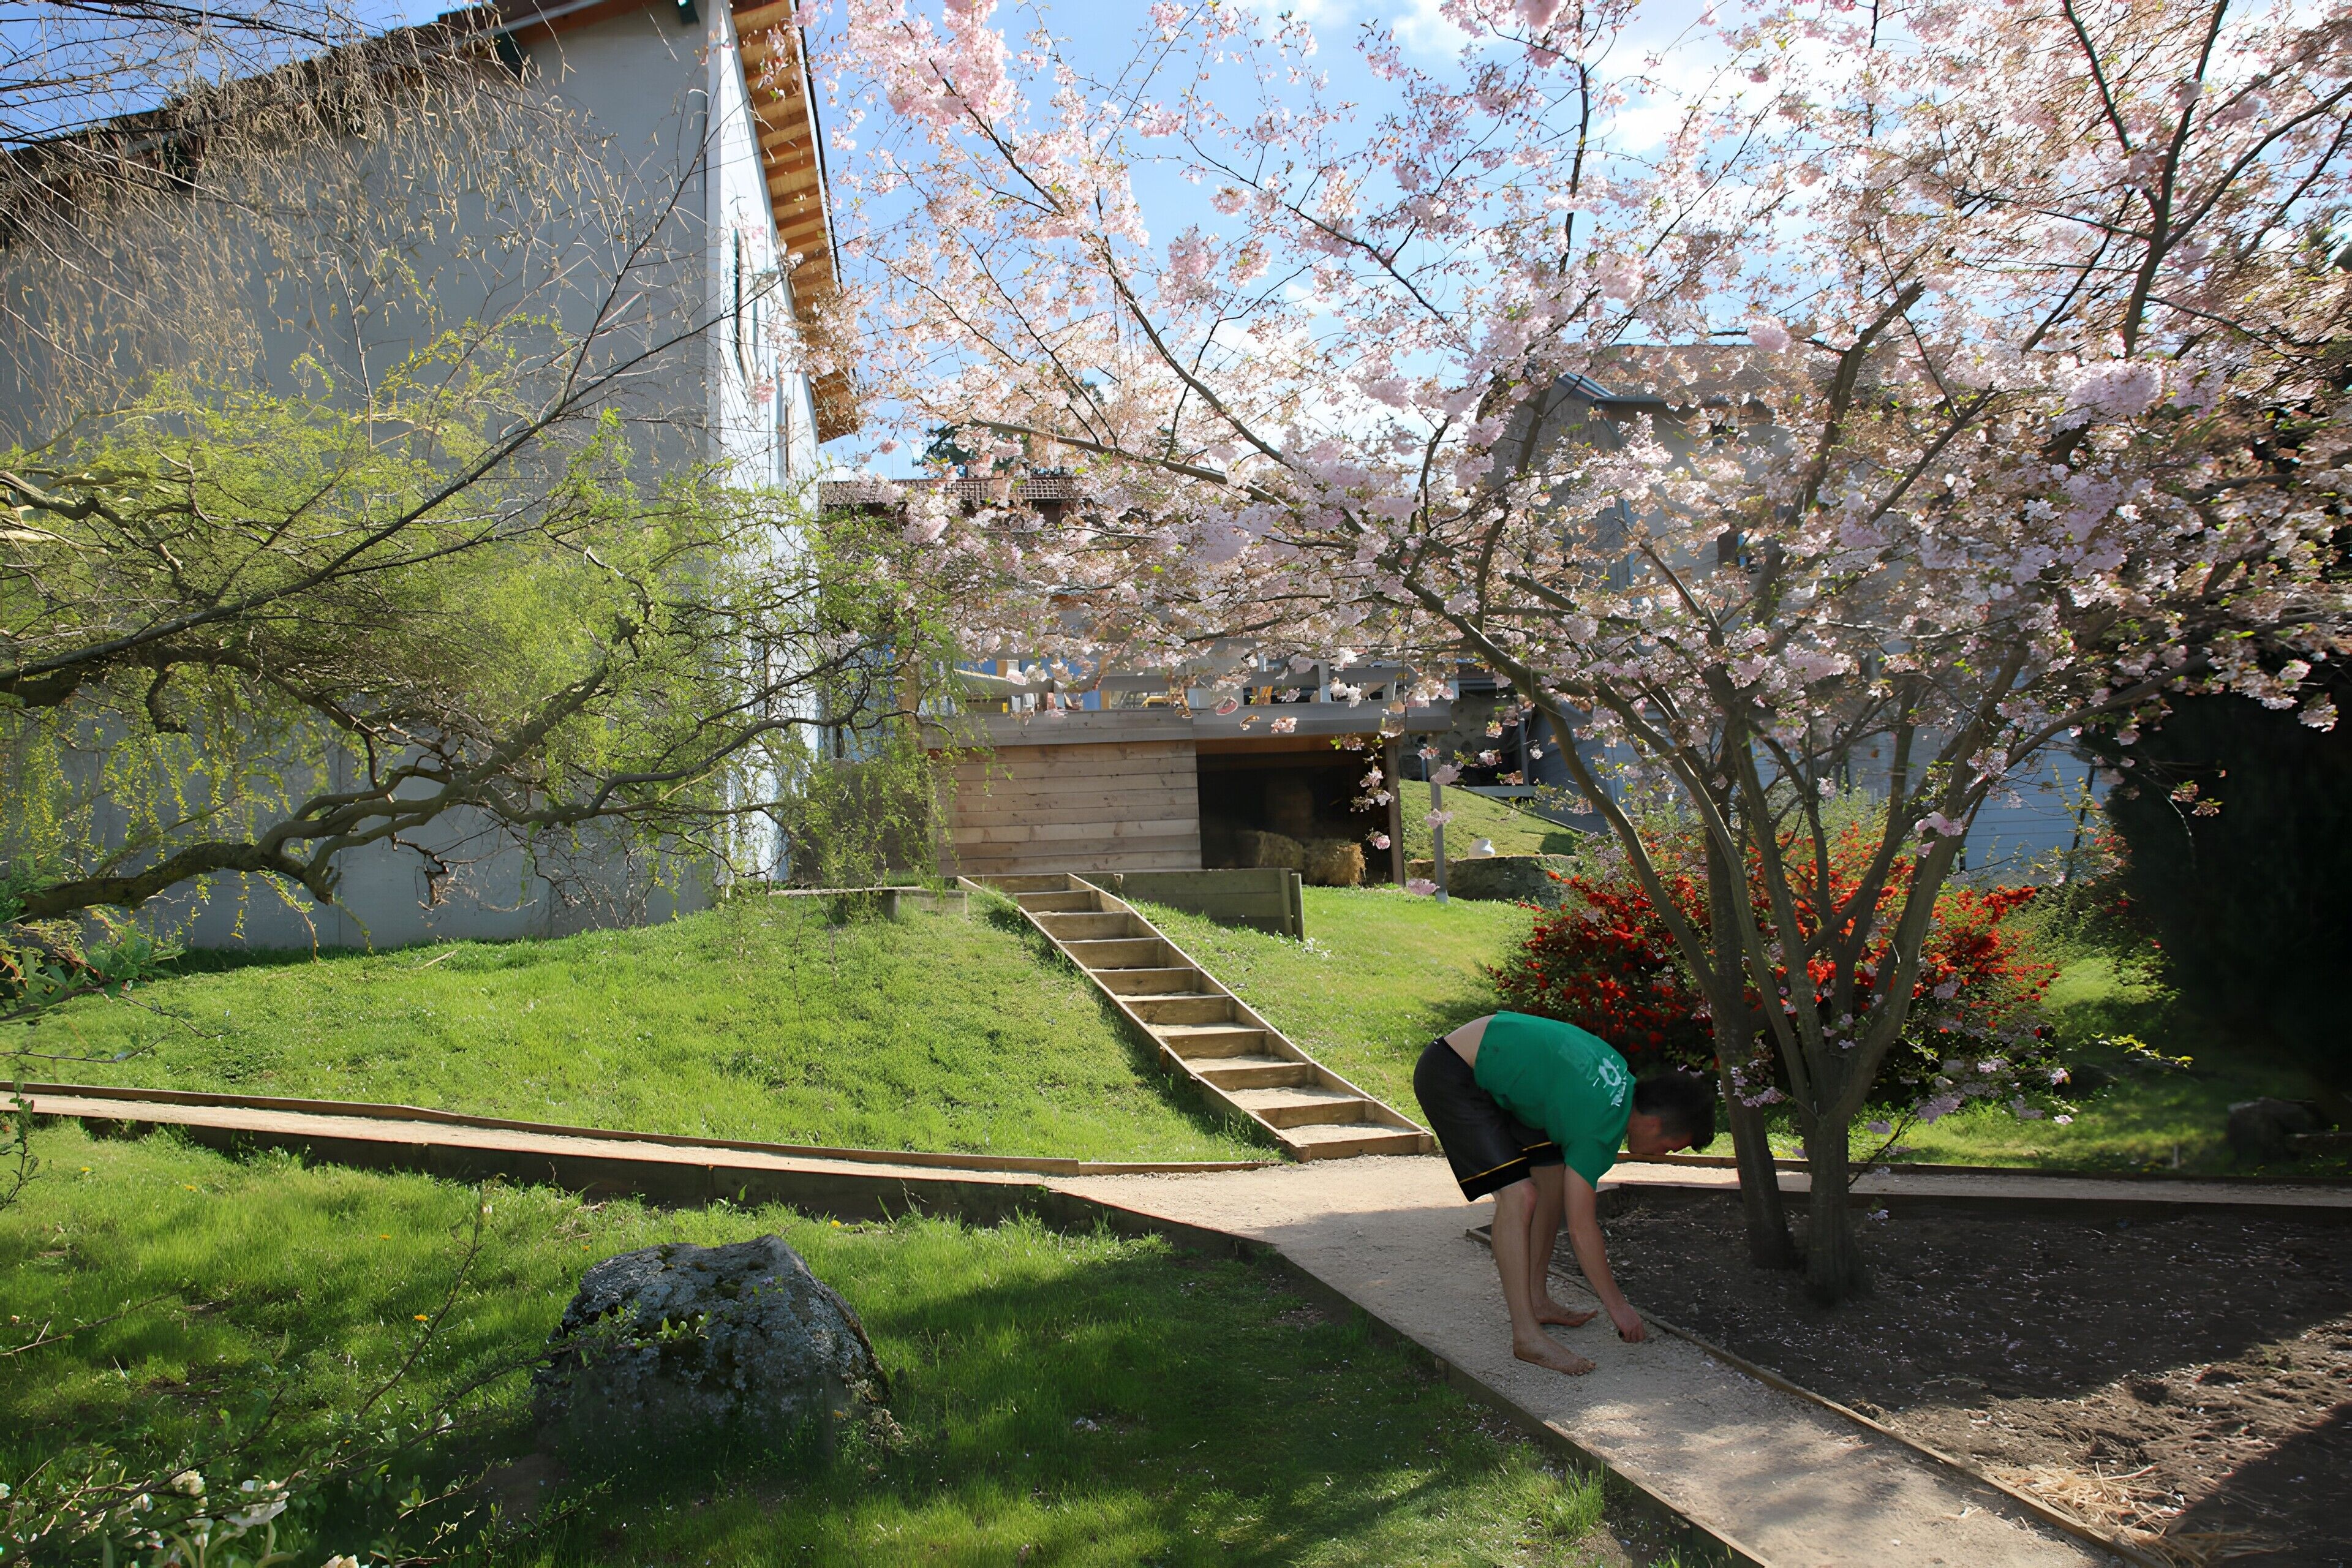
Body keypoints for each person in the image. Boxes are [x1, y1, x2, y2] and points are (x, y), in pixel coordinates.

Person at [1412, 1011, 1717, 1375]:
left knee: (1552, 1180)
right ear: (1653, 1123)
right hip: (1453, 1072)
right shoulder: (1598, 1127)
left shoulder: (1621, 1084)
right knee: (1520, 1196)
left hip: (1493, 1064)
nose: (1664, 1155)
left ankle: (1538, 1301)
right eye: (1671, 1146)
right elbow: (1581, 1228)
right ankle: (1526, 1336)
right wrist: (1617, 1307)